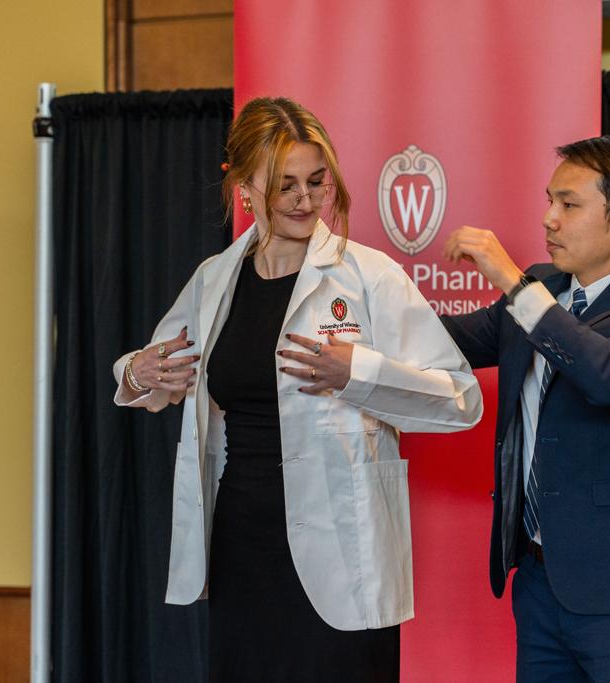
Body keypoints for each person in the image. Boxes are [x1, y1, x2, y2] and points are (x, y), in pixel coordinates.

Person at [112, 96, 482, 682]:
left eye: (317, 181)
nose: (305, 200)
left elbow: (461, 400)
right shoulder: (215, 281)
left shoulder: (370, 275)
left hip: (345, 545)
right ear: (244, 188)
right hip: (243, 540)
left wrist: (358, 374)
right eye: (284, 186)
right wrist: (139, 372)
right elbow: (145, 371)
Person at [439, 135, 610, 683]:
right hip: (540, 587)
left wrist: (514, 285)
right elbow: (444, 340)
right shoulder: (544, 287)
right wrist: (353, 303)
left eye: (569, 204)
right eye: (549, 200)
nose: (548, 219)